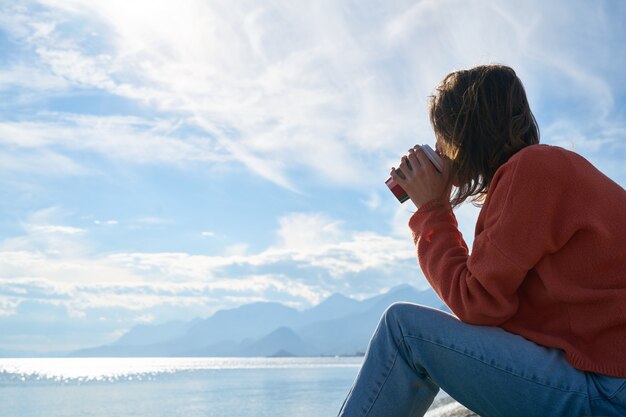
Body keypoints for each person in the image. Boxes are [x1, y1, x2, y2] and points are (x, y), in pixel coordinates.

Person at [337, 64, 626, 417]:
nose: (440, 149)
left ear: (465, 130)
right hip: (609, 376)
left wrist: (433, 209)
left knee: (403, 330)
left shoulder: (532, 171)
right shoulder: (551, 170)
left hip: (609, 388)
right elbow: (496, 308)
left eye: (443, 135)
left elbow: (477, 303)